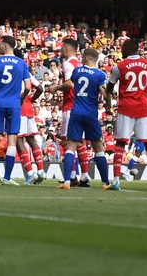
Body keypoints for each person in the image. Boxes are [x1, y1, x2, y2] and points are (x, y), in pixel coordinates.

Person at [106, 39, 147, 191]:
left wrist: (111, 96)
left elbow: (109, 87)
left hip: (126, 108)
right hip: (143, 108)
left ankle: (117, 181)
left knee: (120, 143)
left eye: (122, 49)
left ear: (126, 50)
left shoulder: (119, 66)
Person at [58, 48, 112, 190]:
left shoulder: (77, 71)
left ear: (87, 59)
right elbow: (104, 93)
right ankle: (105, 183)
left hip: (75, 112)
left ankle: (67, 181)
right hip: (91, 114)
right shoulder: (100, 74)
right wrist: (109, 102)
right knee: (98, 148)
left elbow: (73, 84)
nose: (80, 59)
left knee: (71, 146)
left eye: (82, 57)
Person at [0, 35, 32, 186]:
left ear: (5, 47)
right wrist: (22, 98)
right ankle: (6, 177)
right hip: (13, 104)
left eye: (0, 45)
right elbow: (28, 87)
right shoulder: (22, 63)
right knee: (12, 140)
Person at [47, 38, 89, 187]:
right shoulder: (81, 64)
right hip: (82, 106)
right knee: (80, 143)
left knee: (67, 141)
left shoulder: (67, 64)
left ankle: (71, 176)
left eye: (62, 48)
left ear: (67, 49)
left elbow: (70, 83)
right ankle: (84, 177)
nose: (60, 51)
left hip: (70, 106)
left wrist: (56, 88)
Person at [18, 75, 46, 185]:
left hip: (18, 107)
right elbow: (40, 88)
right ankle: (41, 170)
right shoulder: (27, 73)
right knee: (31, 140)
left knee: (18, 141)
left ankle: (30, 173)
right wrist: (31, 99)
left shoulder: (14, 68)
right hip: (29, 108)